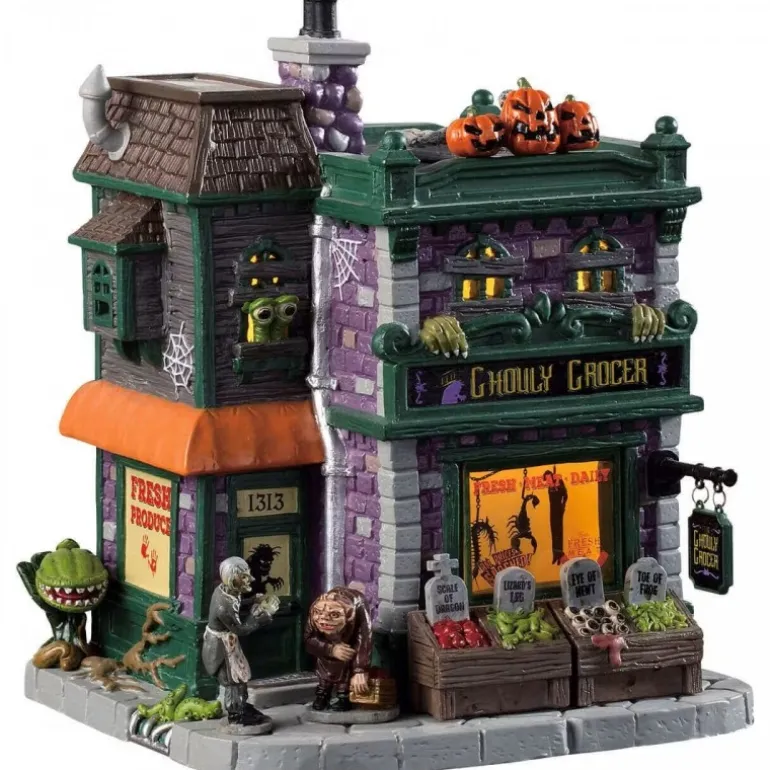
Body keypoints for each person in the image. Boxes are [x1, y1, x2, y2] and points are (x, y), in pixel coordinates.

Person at [202, 556, 279, 726]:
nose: (250, 579)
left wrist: (252, 601)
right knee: (232, 680)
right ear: (232, 579)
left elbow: (237, 604)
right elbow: (240, 629)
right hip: (221, 647)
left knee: (240, 677)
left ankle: (242, 705)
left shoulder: (227, 591)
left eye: (248, 574)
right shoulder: (223, 606)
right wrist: (259, 619)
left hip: (229, 642)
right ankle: (236, 714)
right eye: (244, 576)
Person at [304, 586, 372, 712]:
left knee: (346, 657)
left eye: (334, 614)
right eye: (318, 613)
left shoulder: (358, 609)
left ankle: (343, 695)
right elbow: (309, 640)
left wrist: (360, 670)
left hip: (348, 650)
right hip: (326, 653)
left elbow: (364, 640)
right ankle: (323, 693)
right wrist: (331, 649)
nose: (323, 619)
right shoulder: (316, 609)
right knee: (325, 668)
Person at [544, 469, 569, 564]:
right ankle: (555, 554)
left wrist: (563, 505)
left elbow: (565, 494)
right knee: (554, 532)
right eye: (546, 479)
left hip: (559, 511)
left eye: (548, 478)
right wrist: (555, 485)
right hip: (553, 511)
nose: (547, 480)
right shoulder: (550, 488)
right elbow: (553, 494)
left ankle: (560, 555)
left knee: (559, 532)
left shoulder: (559, 483)